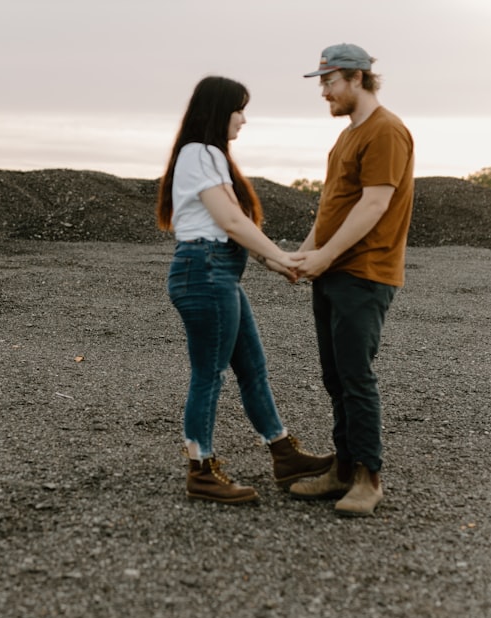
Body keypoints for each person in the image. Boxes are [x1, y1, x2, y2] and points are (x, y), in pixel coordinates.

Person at [156, 76, 333, 504]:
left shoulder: (210, 157)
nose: (244, 119)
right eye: (239, 109)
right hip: (204, 272)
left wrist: (279, 265)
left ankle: (284, 454)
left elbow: (238, 229)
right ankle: (201, 469)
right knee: (209, 375)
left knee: (252, 369)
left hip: (218, 273)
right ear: (219, 111)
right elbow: (232, 224)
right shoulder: (200, 153)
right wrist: (289, 259)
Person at [289, 44, 415, 516]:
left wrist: (324, 257)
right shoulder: (348, 136)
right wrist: (303, 255)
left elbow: (374, 204)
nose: (324, 92)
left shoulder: (386, 131)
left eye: (329, 82)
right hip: (334, 269)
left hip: (365, 273)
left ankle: (368, 477)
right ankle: (341, 469)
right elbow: (333, 208)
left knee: (356, 376)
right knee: (334, 375)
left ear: (357, 78)